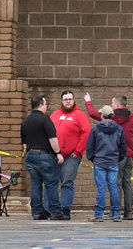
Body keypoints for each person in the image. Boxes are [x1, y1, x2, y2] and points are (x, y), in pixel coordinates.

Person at [85, 92, 133, 219]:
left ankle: (114, 212)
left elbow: (93, 114)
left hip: (115, 156)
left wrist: (88, 101)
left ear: (116, 104)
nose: (111, 105)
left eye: (112, 103)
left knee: (116, 184)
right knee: (127, 183)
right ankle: (128, 212)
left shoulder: (112, 118)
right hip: (129, 155)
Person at [20, 94, 65, 221]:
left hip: (30, 155)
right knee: (51, 184)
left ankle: (37, 213)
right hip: (45, 156)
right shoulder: (45, 120)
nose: (46, 107)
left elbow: (24, 144)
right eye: (45, 104)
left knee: (35, 184)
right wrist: (58, 153)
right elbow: (53, 139)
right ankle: (56, 212)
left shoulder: (25, 122)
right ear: (40, 105)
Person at [47, 90, 90, 220]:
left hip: (71, 157)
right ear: (61, 101)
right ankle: (49, 209)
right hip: (54, 155)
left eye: (70, 99)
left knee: (67, 182)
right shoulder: (55, 115)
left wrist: (78, 151)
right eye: (65, 99)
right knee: (51, 182)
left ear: (74, 100)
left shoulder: (80, 115)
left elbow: (86, 133)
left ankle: (65, 209)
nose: (68, 101)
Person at [85, 105, 127, 222]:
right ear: (112, 115)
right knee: (113, 188)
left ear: (102, 115)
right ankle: (116, 214)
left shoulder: (96, 129)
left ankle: (99, 214)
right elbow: (122, 147)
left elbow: (90, 147)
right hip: (113, 161)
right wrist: (118, 158)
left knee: (101, 188)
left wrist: (92, 158)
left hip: (99, 161)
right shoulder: (119, 129)